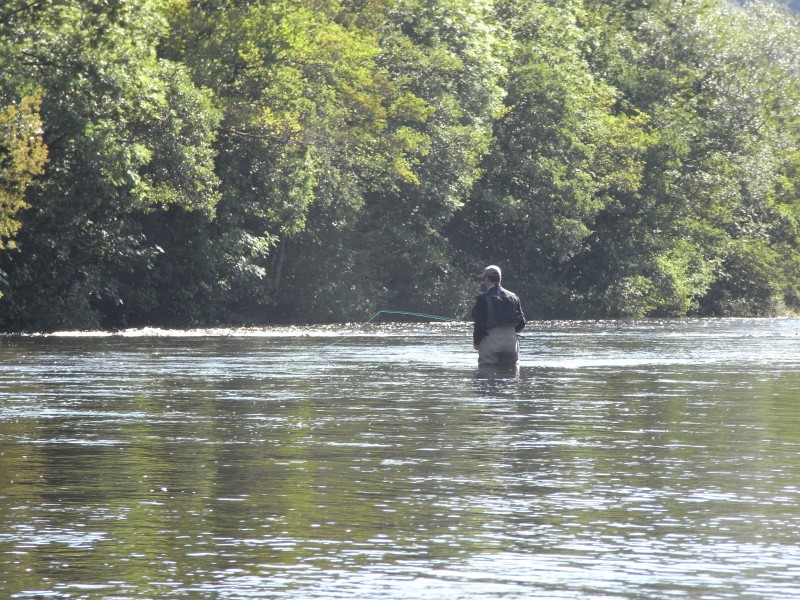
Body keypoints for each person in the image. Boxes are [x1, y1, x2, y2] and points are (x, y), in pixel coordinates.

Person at [471, 265, 526, 367]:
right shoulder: (514, 297)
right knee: (511, 377)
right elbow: (522, 323)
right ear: (500, 278)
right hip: (511, 343)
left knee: (486, 374)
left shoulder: (482, 298)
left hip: (490, 341)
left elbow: (479, 324)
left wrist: (476, 342)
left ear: (486, 279)